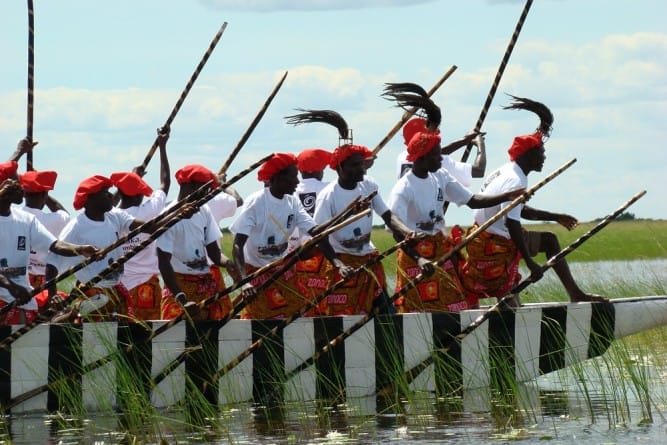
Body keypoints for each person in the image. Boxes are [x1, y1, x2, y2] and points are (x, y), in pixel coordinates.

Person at [461, 96, 608, 306]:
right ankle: (517, 315)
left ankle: (571, 294)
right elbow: (513, 223)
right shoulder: (515, 179)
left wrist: (555, 216)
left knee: (549, 240)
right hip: (495, 244)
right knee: (546, 245)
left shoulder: (508, 170)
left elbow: (517, 210)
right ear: (529, 155)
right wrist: (531, 263)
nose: (545, 157)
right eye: (542, 152)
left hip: (491, 235)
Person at [388, 128, 523, 313]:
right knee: (417, 312)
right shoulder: (403, 188)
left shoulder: (440, 175)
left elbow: (473, 200)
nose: (441, 159)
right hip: (415, 258)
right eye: (436, 155)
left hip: (441, 253)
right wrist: (419, 260)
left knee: (455, 305)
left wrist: (507, 196)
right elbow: (396, 230)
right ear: (421, 158)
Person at [230, 153, 351, 319]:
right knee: (262, 319)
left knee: (302, 311)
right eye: (292, 176)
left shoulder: (292, 202)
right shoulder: (256, 202)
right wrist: (244, 283)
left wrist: (338, 263)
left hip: (282, 268)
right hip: (256, 272)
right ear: (277, 178)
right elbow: (238, 245)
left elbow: (316, 233)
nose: (297, 182)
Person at [45, 175, 159, 320]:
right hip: (94, 291)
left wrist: (178, 216)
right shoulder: (76, 228)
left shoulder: (114, 216)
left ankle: (76, 313)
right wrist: (53, 295)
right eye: (105, 193)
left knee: (120, 334)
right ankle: (74, 312)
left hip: (115, 288)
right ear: (90, 199)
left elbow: (149, 228)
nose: (111, 196)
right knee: (93, 335)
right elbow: (52, 261)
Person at [0, 160, 98, 324]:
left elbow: (55, 245)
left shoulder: (26, 219)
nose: (19, 185)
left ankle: (68, 315)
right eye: (10, 180)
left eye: (17, 180)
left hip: (24, 296)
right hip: (7, 299)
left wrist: (81, 249)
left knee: (58, 303)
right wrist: (11, 287)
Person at [157, 164, 235, 321]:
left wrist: (229, 264)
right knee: (177, 339)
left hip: (205, 284)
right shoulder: (168, 216)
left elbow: (214, 253)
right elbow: (163, 262)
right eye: (203, 190)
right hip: (178, 287)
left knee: (216, 335)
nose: (206, 195)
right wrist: (181, 298)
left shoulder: (204, 211)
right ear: (188, 185)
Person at [113, 126, 171, 320]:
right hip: (147, 285)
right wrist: (163, 147)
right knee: (148, 336)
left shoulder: (112, 216)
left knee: (123, 334)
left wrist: (130, 178)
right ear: (140, 195)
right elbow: (165, 183)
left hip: (120, 287)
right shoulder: (148, 211)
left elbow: (109, 205)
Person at [382, 83, 486, 186]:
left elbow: (436, 151)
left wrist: (464, 141)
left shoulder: (402, 157)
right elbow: (479, 171)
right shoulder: (439, 162)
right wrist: (480, 143)